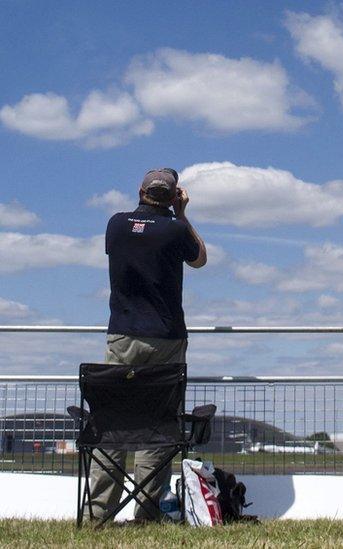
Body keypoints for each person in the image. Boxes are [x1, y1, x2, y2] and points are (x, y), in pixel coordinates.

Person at [91, 168, 207, 522]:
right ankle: (146, 511)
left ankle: (98, 512)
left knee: (113, 423)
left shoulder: (116, 224)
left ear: (140, 191)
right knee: (158, 423)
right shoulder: (174, 228)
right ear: (174, 196)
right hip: (167, 336)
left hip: (123, 333)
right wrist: (183, 214)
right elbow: (200, 257)